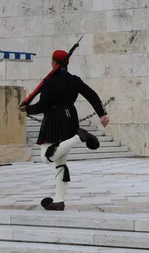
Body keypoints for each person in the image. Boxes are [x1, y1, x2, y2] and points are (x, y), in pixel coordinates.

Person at [18, 50, 110, 211]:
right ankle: (59, 200)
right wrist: (102, 114)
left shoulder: (50, 82)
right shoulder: (74, 80)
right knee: (60, 163)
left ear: (54, 62)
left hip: (54, 119)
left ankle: (79, 137)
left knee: (47, 158)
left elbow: (43, 106)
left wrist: (27, 109)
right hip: (70, 118)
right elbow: (92, 95)